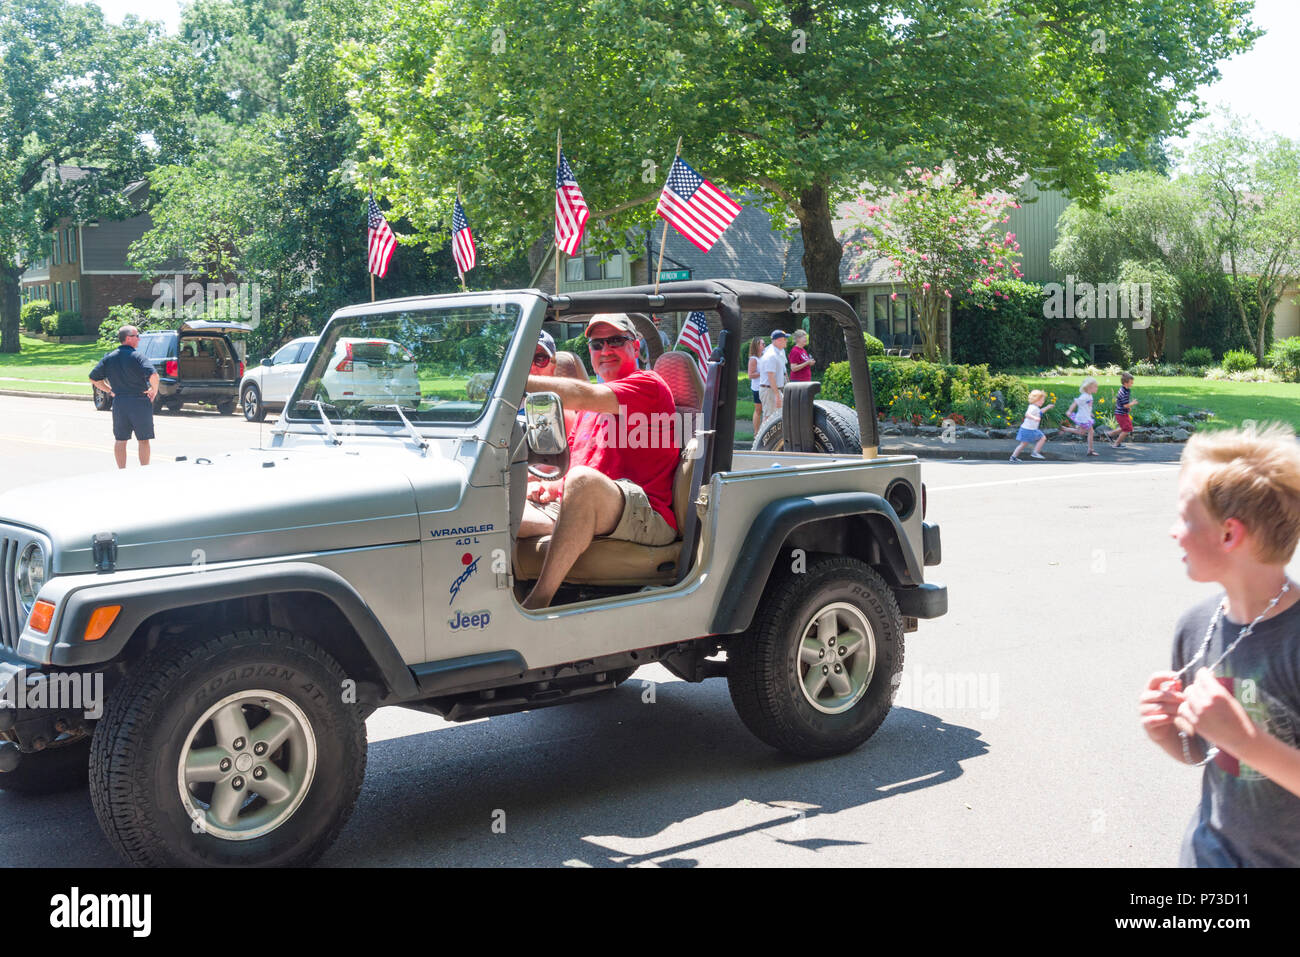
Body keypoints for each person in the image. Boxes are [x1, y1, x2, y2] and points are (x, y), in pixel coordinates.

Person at [1140, 423, 1300, 866]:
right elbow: (1210, 755)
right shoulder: (1195, 628)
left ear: (1229, 534)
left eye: (1184, 519)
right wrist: (1168, 734)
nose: (1174, 532)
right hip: (1208, 854)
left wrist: (1245, 739)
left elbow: (1239, 745)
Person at [518, 313, 681, 609]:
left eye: (616, 341)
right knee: (492, 501)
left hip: (647, 512)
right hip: (590, 505)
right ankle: (485, 604)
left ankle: (535, 605)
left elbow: (585, 397)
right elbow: (573, 465)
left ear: (636, 346)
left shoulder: (646, 385)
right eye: (596, 344)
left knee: (583, 481)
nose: (605, 350)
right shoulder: (590, 408)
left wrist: (513, 382)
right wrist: (545, 485)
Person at [89, 325, 160, 469]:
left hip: (120, 402)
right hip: (139, 402)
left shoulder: (109, 357)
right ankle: (145, 469)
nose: (139, 339)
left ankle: (122, 470)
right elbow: (154, 375)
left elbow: (94, 379)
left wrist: (110, 391)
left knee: (120, 439)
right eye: (136, 336)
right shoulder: (138, 356)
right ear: (128, 338)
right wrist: (154, 390)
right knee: (143, 439)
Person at [1059, 376, 1102, 456]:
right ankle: (1090, 450)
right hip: (1083, 418)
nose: (1097, 388)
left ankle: (1065, 429)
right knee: (1091, 432)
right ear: (1089, 387)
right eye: (1095, 387)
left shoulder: (1089, 396)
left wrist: (1090, 413)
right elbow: (1075, 403)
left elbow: (1086, 406)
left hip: (1085, 417)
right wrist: (1069, 411)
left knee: (1081, 432)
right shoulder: (1084, 396)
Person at [1009, 390, 1054, 462]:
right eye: (1042, 400)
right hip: (1029, 430)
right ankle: (1035, 452)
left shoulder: (1034, 407)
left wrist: (1047, 407)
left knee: (1023, 444)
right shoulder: (1033, 407)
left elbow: (1040, 411)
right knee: (1042, 438)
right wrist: (1035, 418)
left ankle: (1013, 457)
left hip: (1027, 429)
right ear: (1036, 400)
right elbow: (1027, 414)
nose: (1043, 402)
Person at [757, 329, 788, 425]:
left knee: (775, 416)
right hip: (769, 390)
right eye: (784, 339)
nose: (786, 341)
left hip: (773, 390)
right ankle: (761, 439)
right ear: (778, 340)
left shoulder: (778, 352)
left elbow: (782, 372)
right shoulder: (771, 355)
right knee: (768, 417)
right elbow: (771, 377)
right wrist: (777, 395)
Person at [1106, 372, 1139, 448]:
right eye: (1131, 382)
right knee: (1127, 429)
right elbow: (1125, 405)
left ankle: (1110, 434)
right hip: (1121, 414)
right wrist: (1132, 403)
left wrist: (1128, 407)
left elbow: (1124, 404)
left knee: (1126, 428)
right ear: (1125, 383)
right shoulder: (1123, 392)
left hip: (1122, 413)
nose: (1132, 383)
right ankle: (1116, 444)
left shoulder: (1126, 390)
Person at [747, 336, 765, 435]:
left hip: (765, 386)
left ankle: (762, 432)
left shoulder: (763, 356)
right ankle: (756, 433)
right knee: (758, 410)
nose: (764, 346)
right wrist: (763, 373)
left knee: (766, 410)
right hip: (757, 388)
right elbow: (750, 375)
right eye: (762, 344)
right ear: (757, 346)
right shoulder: (753, 359)